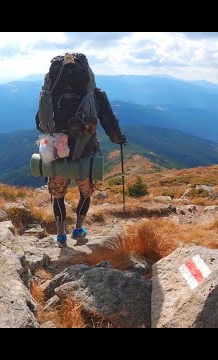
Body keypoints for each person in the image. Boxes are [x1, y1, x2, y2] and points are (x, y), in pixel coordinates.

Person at [35, 53, 126, 247]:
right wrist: (118, 138)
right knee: (86, 193)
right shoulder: (95, 95)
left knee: (58, 195)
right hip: (86, 151)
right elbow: (109, 121)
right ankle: (78, 228)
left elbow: (40, 123)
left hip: (57, 152)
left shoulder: (52, 93)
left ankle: (60, 234)